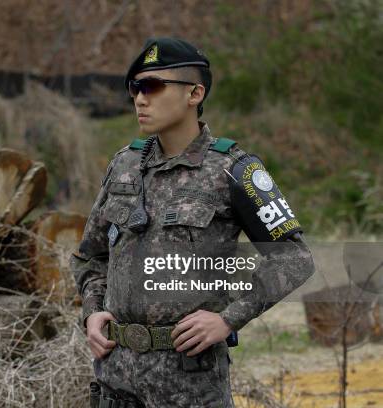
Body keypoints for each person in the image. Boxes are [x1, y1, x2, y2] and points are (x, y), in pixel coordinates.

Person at [71, 37, 315, 408]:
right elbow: (91, 256)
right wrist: (92, 312)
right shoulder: (124, 166)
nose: (140, 98)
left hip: (189, 385)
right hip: (116, 380)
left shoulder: (233, 170)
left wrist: (229, 318)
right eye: (135, 88)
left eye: (152, 86)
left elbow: (294, 258)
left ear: (194, 93)